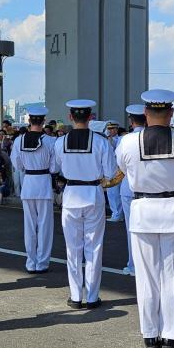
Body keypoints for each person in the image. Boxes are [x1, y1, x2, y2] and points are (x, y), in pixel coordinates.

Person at [114, 89, 174, 348]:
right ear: (171, 112)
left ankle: (150, 335)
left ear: (145, 113)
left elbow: (124, 169)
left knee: (146, 275)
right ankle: (172, 335)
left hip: (143, 210)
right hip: (173, 208)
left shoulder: (128, 142)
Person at [53, 101, 117, 309]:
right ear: (90, 117)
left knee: (73, 249)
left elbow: (56, 167)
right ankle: (91, 296)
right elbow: (109, 173)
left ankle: (75, 296)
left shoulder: (59, 142)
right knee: (94, 247)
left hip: (71, 195)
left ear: (71, 117)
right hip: (93, 194)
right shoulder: (101, 142)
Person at [10, 105, 56, 273]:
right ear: (43, 121)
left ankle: (31, 262)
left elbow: (17, 165)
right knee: (45, 226)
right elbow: (54, 167)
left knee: (29, 226)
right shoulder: (51, 141)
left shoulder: (18, 140)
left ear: (29, 120)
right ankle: (42, 263)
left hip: (28, 183)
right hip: (43, 183)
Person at [118, 102, 146, 274]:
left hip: (129, 187)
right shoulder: (153, 136)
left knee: (132, 230)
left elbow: (120, 165)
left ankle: (133, 264)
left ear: (131, 120)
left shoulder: (125, 140)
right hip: (150, 189)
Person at [104, 121, 124, 221]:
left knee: (115, 193)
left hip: (118, 169)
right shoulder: (105, 139)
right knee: (111, 193)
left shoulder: (121, 139)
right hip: (110, 169)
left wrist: (109, 139)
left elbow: (114, 146)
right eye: (109, 129)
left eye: (112, 129)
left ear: (116, 129)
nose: (110, 131)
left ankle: (117, 214)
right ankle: (116, 213)